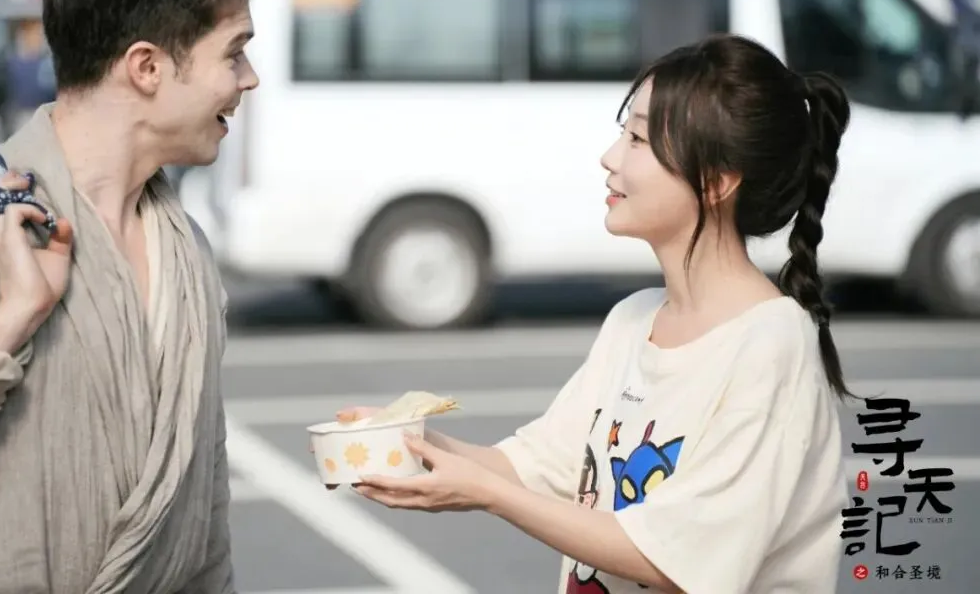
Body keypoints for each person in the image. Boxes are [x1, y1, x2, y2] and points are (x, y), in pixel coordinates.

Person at [339, 33, 851, 594]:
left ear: (716, 181)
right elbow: (539, 465)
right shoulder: (633, 320)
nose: (609, 157)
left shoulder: (771, 343)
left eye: (637, 138)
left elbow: (675, 562)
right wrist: (410, 443)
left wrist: (486, 494)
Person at [0, 0, 265, 593]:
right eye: (235, 53)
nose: (249, 80)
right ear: (147, 66)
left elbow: (203, 512)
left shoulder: (186, 249)